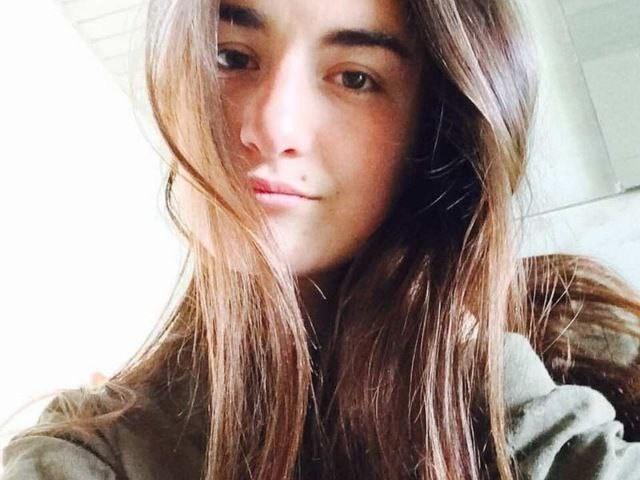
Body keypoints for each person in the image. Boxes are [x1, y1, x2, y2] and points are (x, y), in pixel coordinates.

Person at [2, 0, 640, 478]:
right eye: (231, 57)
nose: (271, 125)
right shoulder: (89, 456)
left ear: (434, 133)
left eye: (354, 78)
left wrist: (479, 388)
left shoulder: (570, 346)